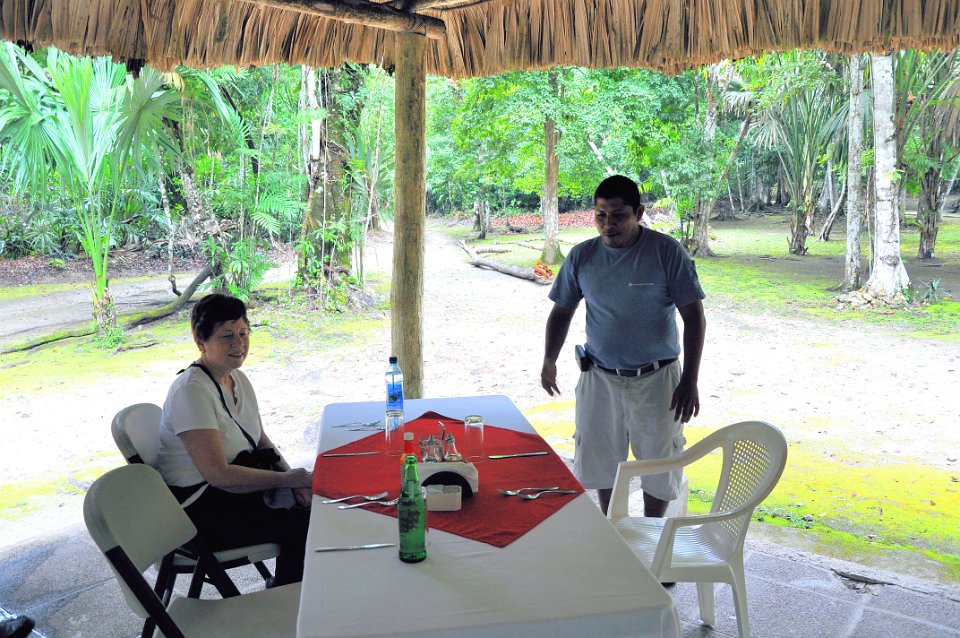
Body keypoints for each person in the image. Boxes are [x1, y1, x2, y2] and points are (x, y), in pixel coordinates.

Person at [540, 175, 706, 517]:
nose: (608, 224)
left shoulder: (666, 252)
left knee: (659, 463)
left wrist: (689, 380)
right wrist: (549, 359)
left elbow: (694, 318)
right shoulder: (582, 256)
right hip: (599, 377)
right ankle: (612, 526)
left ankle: (651, 532)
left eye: (618, 215)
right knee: (601, 459)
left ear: (639, 213)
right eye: (601, 215)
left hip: (658, 379)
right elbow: (561, 312)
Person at [157, 293, 312, 586]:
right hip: (201, 514)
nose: (238, 343)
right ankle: (288, 599)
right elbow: (219, 475)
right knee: (304, 523)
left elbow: (261, 441)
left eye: (243, 332)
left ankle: (294, 591)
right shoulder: (191, 391)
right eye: (226, 336)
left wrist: (294, 479)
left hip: (235, 495)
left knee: (318, 502)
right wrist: (286, 480)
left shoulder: (237, 378)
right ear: (200, 342)